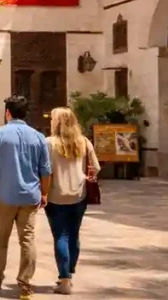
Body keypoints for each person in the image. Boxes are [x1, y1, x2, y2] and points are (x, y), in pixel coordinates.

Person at [0, 95, 52, 300]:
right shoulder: (38, 137)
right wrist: (45, 193)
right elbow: (46, 170)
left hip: (4, 195)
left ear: (7, 113)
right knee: (27, 240)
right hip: (30, 196)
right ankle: (25, 282)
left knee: (0, 240)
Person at [44, 108, 99, 295]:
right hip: (79, 194)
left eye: (52, 119)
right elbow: (95, 168)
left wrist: (43, 193)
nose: (50, 121)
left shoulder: (49, 143)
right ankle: (69, 273)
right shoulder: (84, 142)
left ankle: (64, 278)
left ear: (57, 122)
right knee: (73, 235)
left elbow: (45, 171)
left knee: (61, 236)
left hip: (55, 196)